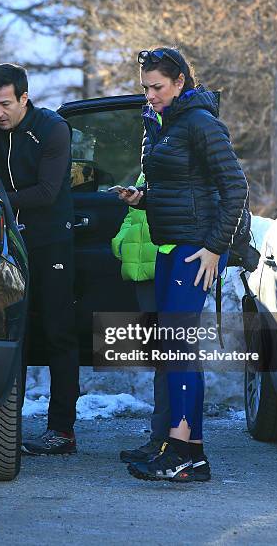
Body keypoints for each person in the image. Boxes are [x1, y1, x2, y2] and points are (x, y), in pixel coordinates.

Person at [119, 48, 248, 482]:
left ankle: (183, 450)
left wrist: (215, 247)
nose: (150, 95)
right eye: (145, 88)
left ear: (179, 82)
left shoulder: (200, 122)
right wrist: (144, 198)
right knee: (176, 348)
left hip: (197, 248)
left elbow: (235, 187)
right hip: (170, 245)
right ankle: (189, 454)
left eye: (157, 87)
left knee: (178, 347)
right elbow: (182, 189)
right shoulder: (159, 123)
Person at [0, 62, 79, 455]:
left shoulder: (52, 128)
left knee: (59, 333)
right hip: (2, 243)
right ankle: (5, 427)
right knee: (8, 334)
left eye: (5, 104)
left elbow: (47, 192)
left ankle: (62, 430)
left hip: (50, 240)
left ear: (24, 97)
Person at [112, 174, 171, 463]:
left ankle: (169, 440)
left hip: (168, 267)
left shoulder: (181, 153)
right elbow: (134, 217)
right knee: (161, 357)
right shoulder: (152, 161)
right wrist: (122, 243)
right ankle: (161, 438)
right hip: (144, 273)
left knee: (172, 357)